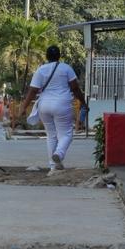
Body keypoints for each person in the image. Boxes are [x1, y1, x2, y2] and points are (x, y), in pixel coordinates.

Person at [21, 44, 87, 174]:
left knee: (51, 136)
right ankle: (59, 154)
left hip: (44, 105)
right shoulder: (66, 68)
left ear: (46, 56)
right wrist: (83, 102)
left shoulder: (40, 70)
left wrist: (24, 106)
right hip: (62, 104)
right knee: (66, 134)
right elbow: (75, 88)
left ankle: (53, 166)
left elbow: (33, 90)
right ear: (59, 56)